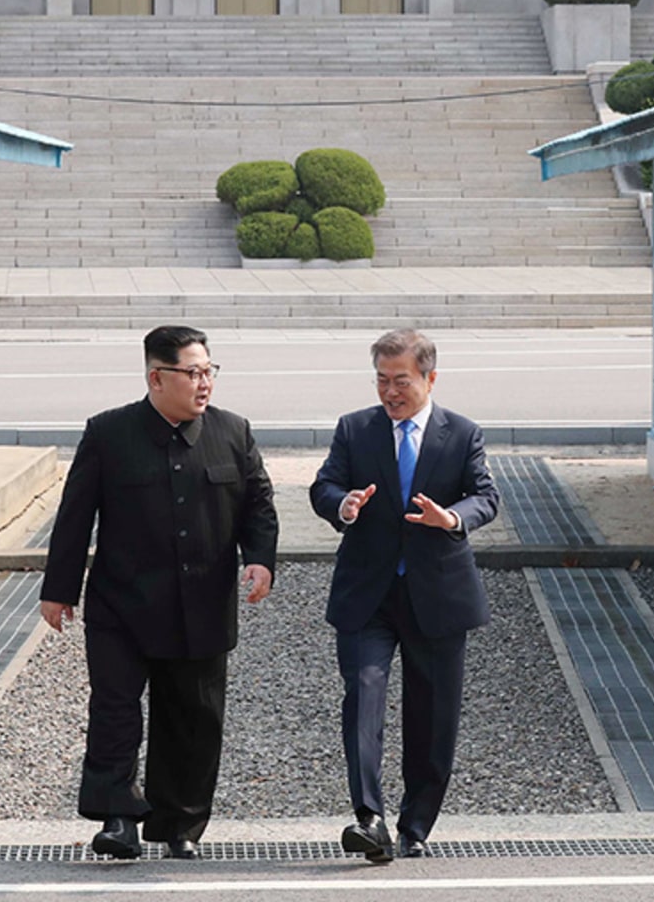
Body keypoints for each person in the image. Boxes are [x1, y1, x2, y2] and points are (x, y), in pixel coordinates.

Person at [40, 325, 278, 861]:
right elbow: (76, 515)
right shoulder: (108, 433)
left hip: (201, 607)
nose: (204, 383)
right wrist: (59, 589)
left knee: (192, 718)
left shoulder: (233, 433)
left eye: (209, 371)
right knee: (116, 711)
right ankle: (119, 818)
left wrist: (260, 559)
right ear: (156, 376)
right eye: (192, 373)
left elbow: (258, 505)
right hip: (122, 605)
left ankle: (180, 825)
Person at [308, 328, 500, 863]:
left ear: (429, 378)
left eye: (402, 381)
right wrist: (342, 505)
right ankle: (369, 818)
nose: (390, 392)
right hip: (368, 594)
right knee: (363, 697)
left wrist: (452, 518)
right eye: (381, 381)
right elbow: (324, 486)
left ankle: (415, 825)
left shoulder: (462, 434)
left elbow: (487, 496)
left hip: (438, 594)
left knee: (433, 716)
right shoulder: (355, 430)